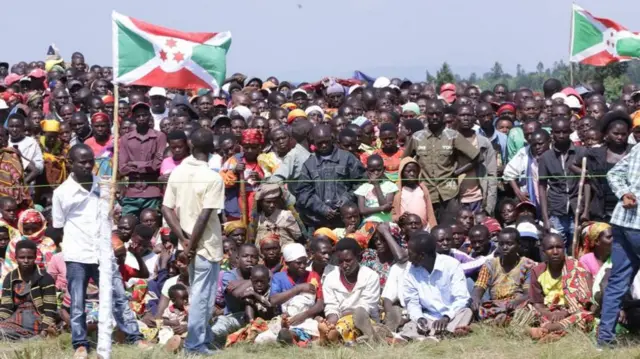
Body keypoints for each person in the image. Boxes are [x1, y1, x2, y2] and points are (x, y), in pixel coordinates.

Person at [52, 144, 147, 359]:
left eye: (90, 161)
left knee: (118, 296)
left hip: (103, 253)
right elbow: (58, 225)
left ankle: (134, 337)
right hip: (77, 254)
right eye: (82, 162)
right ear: (71, 163)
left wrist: (113, 194)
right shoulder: (62, 193)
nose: (87, 165)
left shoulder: (104, 185)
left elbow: (112, 213)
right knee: (77, 301)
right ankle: (80, 344)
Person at [162, 128, 225, 355]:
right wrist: (190, 244)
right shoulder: (213, 178)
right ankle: (194, 345)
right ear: (212, 150)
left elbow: (166, 208)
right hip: (205, 245)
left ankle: (204, 338)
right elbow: (205, 216)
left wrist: (183, 240)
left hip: (187, 244)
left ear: (190, 145)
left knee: (201, 294)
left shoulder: (177, 172)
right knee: (201, 296)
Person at [402, 99, 480, 220]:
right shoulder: (417, 137)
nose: (434, 117)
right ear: (426, 114)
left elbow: (478, 157)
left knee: (449, 230)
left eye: (438, 113)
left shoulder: (453, 135)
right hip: (425, 193)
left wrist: (457, 172)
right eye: (431, 113)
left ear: (443, 115)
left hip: (449, 194)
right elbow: (404, 162)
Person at [598, 140, 640, 347]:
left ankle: (605, 339)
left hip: (623, 222)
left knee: (617, 282)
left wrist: (624, 193)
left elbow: (613, 174)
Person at [402, 231, 472, 338]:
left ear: (422, 256)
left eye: (411, 253)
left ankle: (438, 334)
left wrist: (446, 317)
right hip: (428, 317)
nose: (408, 257)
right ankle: (438, 335)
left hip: (452, 316)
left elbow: (462, 298)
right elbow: (412, 301)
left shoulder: (451, 265)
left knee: (466, 312)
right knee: (411, 325)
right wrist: (420, 318)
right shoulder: (410, 270)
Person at [296, 125, 365, 231]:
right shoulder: (309, 164)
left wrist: (347, 199)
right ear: (313, 143)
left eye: (326, 141)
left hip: (345, 219)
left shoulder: (347, 158)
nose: (324, 145)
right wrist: (321, 208)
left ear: (332, 139)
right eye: (319, 143)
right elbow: (303, 192)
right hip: (318, 220)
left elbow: (361, 182)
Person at [528, 234, 593, 342]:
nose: (555, 252)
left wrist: (565, 313)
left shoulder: (576, 266)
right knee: (526, 310)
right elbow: (537, 303)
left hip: (571, 311)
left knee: (586, 316)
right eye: (550, 248)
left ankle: (550, 329)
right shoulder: (537, 270)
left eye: (559, 247)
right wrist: (550, 314)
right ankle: (553, 331)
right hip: (548, 312)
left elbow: (584, 299)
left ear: (564, 249)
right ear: (543, 252)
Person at [321, 237, 380, 344]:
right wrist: (331, 322)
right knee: (333, 326)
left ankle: (333, 338)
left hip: (366, 319)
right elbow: (331, 306)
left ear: (358, 257)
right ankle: (331, 335)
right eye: (340, 261)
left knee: (351, 323)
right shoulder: (330, 278)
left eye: (348, 260)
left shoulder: (371, 276)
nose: (344, 265)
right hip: (339, 319)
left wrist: (346, 314)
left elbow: (367, 307)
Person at [539, 117, 585, 251]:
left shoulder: (580, 152)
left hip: (577, 211)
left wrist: (586, 209)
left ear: (570, 131)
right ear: (552, 133)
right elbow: (542, 187)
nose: (561, 135)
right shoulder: (546, 157)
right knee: (558, 249)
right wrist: (546, 218)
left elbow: (587, 182)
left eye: (565, 132)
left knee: (577, 248)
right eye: (557, 132)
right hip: (557, 212)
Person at [577, 111, 632, 222]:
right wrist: (586, 209)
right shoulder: (594, 154)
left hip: (628, 210)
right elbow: (588, 182)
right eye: (616, 134)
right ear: (606, 134)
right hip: (601, 211)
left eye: (623, 134)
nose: (620, 137)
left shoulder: (634, 152)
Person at [471, 228, 531, 325]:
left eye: (509, 244)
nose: (504, 247)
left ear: (518, 245)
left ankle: (500, 320)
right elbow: (479, 287)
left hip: (516, 304)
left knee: (529, 309)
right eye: (501, 244)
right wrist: (476, 299)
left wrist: (516, 302)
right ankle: (500, 319)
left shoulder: (527, 265)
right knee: (474, 308)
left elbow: (528, 294)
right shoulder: (490, 265)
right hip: (495, 305)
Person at [0, 240, 57, 340]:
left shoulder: (44, 277)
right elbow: (6, 307)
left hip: (39, 319)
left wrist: (44, 330)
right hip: (16, 318)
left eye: (30, 257)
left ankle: (38, 336)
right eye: (22, 257)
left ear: (35, 257)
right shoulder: (10, 278)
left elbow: (50, 310)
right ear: (15, 258)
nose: (26, 261)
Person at [119, 102, 167, 218]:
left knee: (151, 227)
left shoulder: (159, 137)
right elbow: (123, 169)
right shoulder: (125, 139)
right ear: (133, 118)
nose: (141, 118)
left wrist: (134, 164)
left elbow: (156, 166)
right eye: (138, 116)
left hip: (152, 192)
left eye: (144, 115)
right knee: (127, 223)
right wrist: (146, 165)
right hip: (131, 192)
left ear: (149, 116)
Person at [269, 243, 324, 339]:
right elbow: (273, 300)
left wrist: (305, 315)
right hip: (286, 318)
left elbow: (320, 303)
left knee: (314, 328)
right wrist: (298, 288)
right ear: (287, 264)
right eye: (298, 263)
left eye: (305, 262)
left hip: (307, 317)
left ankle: (292, 337)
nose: (303, 266)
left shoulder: (313, 276)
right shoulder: (279, 277)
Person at [213, 244, 259, 348]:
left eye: (253, 257)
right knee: (217, 330)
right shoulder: (228, 275)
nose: (249, 260)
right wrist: (256, 279)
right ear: (238, 258)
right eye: (245, 256)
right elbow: (237, 294)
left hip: (256, 316)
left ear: (258, 260)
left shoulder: (262, 272)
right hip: (233, 316)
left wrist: (244, 283)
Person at [456, 104, 498, 214]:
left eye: (469, 115)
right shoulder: (449, 141)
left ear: (474, 118)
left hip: (479, 200)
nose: (465, 118)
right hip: (456, 200)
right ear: (456, 117)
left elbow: (492, 175)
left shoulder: (484, 143)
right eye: (462, 115)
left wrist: (489, 207)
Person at [1, 209, 57, 280]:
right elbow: (10, 267)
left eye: (34, 229)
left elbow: (53, 267)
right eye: (27, 229)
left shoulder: (48, 242)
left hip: (43, 280)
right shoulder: (15, 243)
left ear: (41, 226)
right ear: (21, 227)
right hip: (18, 281)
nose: (31, 232)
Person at [503, 129, 550, 210]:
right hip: (529, 198)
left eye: (540, 144)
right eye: (534, 145)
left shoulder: (555, 154)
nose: (537, 147)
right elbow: (508, 173)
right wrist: (518, 192)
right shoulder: (524, 152)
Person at [391, 158, 437, 229]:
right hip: (404, 229)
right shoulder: (397, 190)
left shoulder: (422, 189)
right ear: (402, 172)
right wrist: (399, 217)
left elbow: (430, 211)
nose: (412, 174)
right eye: (408, 171)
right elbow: (392, 213)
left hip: (423, 228)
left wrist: (433, 226)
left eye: (414, 171)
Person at [355, 155, 398, 223]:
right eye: (372, 170)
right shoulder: (363, 188)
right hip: (368, 224)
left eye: (379, 170)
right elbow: (362, 210)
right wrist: (381, 208)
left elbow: (386, 210)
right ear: (367, 170)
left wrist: (376, 185)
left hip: (386, 222)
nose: (376, 173)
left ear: (383, 169)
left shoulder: (390, 186)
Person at [7, 113, 43, 184]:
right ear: (7, 127)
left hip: (27, 185)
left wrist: (21, 157)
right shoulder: (5, 141)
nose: (14, 129)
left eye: (17, 126)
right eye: (11, 126)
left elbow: (40, 168)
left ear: (23, 127)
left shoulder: (31, 143)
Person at [0, 127, 31, 209]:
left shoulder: (12, 154)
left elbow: (32, 170)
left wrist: (20, 186)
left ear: (6, 138)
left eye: (1, 136)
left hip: (10, 202)